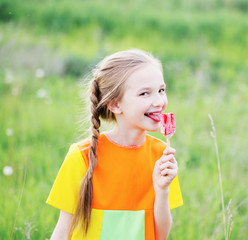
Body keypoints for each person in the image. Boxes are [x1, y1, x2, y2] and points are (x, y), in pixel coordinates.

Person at [46, 49, 183, 240]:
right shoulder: (82, 156)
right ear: (115, 104)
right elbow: (62, 232)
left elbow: (160, 235)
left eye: (161, 90)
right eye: (145, 93)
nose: (159, 101)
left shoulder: (162, 156)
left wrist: (162, 190)